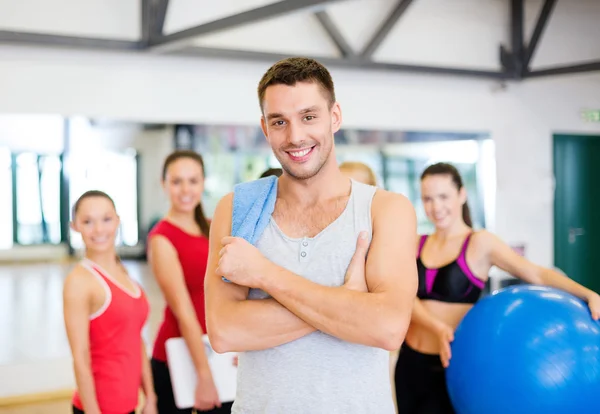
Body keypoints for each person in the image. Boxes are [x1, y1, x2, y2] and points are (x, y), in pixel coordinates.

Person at [204, 57, 418, 413]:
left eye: (308, 117)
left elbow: (387, 327)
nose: (295, 136)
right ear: (264, 127)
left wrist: (264, 275)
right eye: (279, 122)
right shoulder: (239, 208)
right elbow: (226, 332)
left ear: (334, 117)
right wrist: (348, 304)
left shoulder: (385, 210)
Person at [394, 161, 600, 414]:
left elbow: (535, 272)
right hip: (410, 363)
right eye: (427, 199)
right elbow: (402, 293)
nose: (436, 207)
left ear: (462, 194)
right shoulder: (416, 242)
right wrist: (436, 327)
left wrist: (587, 293)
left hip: (453, 368)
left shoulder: (480, 243)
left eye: (443, 196)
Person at [147, 150, 234, 413]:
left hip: (218, 351)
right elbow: (184, 312)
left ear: (203, 183)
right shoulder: (161, 238)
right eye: (176, 181)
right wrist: (203, 375)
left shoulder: (212, 226)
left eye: (193, 181)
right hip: (179, 360)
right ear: (164, 185)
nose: (186, 189)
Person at [63, 190, 155, 414]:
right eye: (87, 221)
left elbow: (136, 339)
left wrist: (150, 396)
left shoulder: (122, 271)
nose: (99, 230)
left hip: (129, 404)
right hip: (99, 408)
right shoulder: (79, 281)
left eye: (106, 219)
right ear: (74, 226)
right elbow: (80, 358)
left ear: (117, 221)